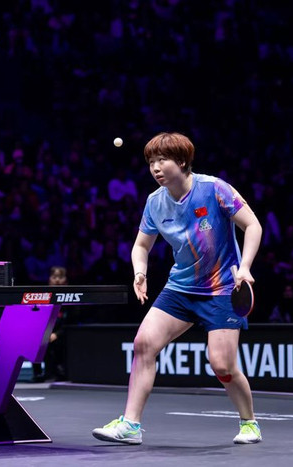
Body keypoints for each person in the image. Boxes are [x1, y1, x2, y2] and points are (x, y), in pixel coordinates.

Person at [92, 132, 263, 445]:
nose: (155, 168)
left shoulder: (214, 189)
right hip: (180, 288)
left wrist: (246, 267)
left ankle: (249, 422)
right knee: (144, 344)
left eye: (162, 160)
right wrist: (140, 272)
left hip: (222, 288)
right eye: (151, 162)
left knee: (222, 365)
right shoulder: (155, 202)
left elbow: (252, 225)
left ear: (182, 162)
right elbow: (141, 245)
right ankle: (131, 425)